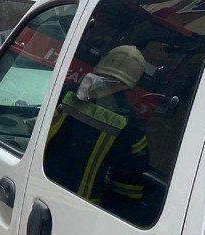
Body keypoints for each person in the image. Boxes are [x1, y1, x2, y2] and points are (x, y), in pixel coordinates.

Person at [45, 45, 149, 210]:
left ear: (101, 64)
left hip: (41, 184)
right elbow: (128, 191)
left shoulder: (66, 94)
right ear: (133, 82)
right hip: (82, 208)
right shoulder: (131, 129)